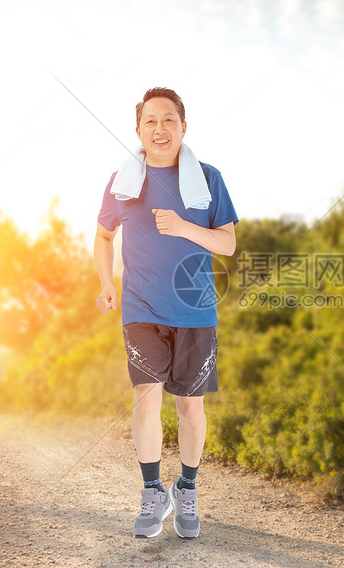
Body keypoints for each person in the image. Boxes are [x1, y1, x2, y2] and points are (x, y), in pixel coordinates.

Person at [94, 87, 238, 539]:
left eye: (169, 120)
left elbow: (228, 244)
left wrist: (184, 227)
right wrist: (105, 284)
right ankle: (153, 491)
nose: (160, 129)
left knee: (191, 409)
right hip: (141, 309)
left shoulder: (209, 179)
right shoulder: (122, 182)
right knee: (147, 398)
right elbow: (103, 237)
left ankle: (187, 489)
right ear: (138, 129)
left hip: (195, 313)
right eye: (151, 121)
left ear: (183, 127)